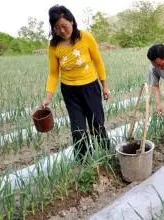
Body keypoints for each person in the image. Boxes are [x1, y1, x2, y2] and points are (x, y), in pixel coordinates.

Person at [42, 5, 110, 161]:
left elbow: (98, 62)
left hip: (90, 87)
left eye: (64, 26)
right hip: (70, 92)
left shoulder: (86, 37)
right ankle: (83, 163)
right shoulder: (53, 47)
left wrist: (104, 85)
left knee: (97, 125)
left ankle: (106, 156)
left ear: (72, 21)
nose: (62, 31)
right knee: (77, 129)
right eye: (57, 28)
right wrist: (48, 97)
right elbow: (53, 74)